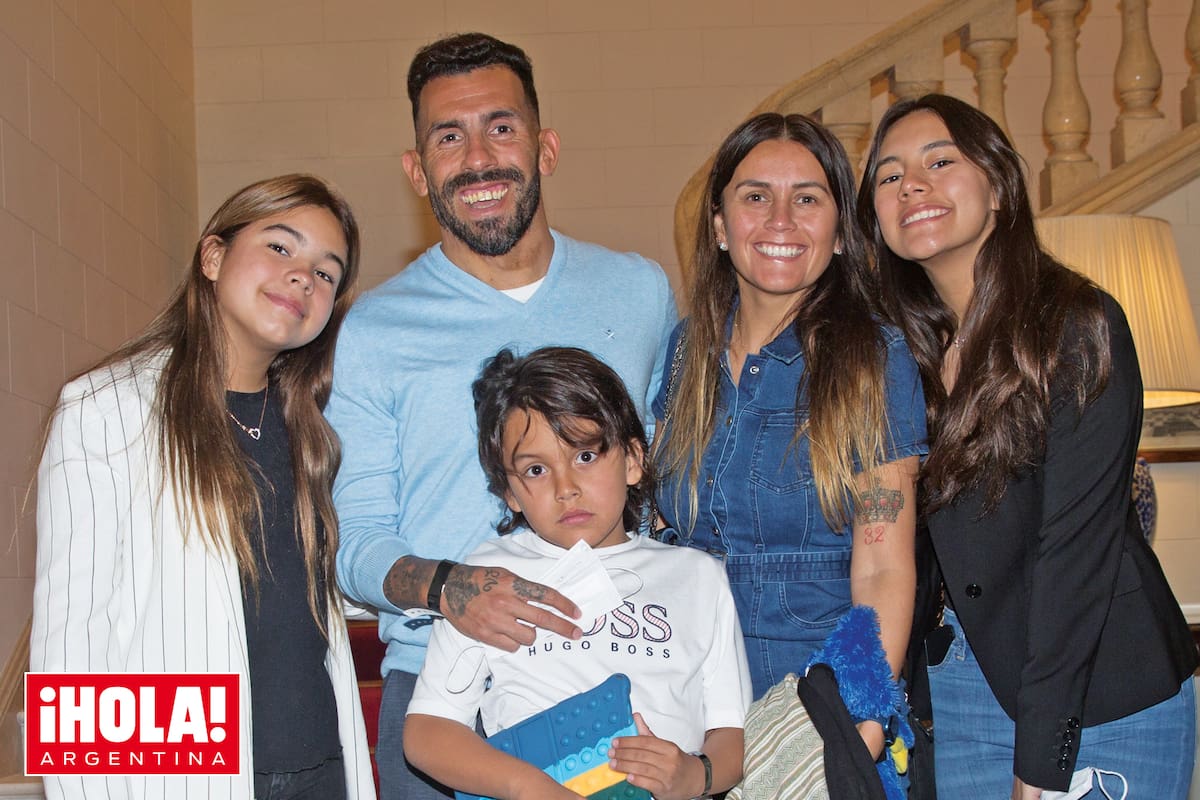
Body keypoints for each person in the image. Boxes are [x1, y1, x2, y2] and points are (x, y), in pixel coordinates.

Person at [327, 32, 676, 799]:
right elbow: (353, 541)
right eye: (448, 137)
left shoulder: (640, 293)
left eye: (502, 127)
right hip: (443, 703)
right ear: (418, 171)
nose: (478, 158)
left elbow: (665, 487)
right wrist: (453, 585)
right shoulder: (374, 330)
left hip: (613, 684)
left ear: (545, 148)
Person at [857, 93, 1199, 799]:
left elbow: (1074, 560)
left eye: (938, 161)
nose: (910, 185)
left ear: (999, 183)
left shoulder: (1077, 324)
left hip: (1100, 692)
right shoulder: (898, 354)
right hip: (957, 692)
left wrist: (1038, 760)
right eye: (888, 176)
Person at [30, 174, 376, 800]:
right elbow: (70, 647)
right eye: (280, 247)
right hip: (192, 775)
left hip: (323, 765)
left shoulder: (315, 429)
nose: (304, 276)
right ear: (213, 257)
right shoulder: (105, 408)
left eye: (327, 273)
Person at [652, 112, 926, 760]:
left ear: (838, 232)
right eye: (755, 197)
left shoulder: (874, 360)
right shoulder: (687, 350)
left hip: (810, 698)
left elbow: (885, 567)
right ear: (720, 225)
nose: (781, 220)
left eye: (807, 198)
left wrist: (859, 720)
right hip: (686, 699)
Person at [403, 346, 751, 800]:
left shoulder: (698, 577)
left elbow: (734, 733)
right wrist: (530, 788)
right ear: (509, 492)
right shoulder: (488, 579)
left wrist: (695, 775)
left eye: (585, 456)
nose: (565, 489)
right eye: (535, 469)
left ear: (631, 459)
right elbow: (429, 730)